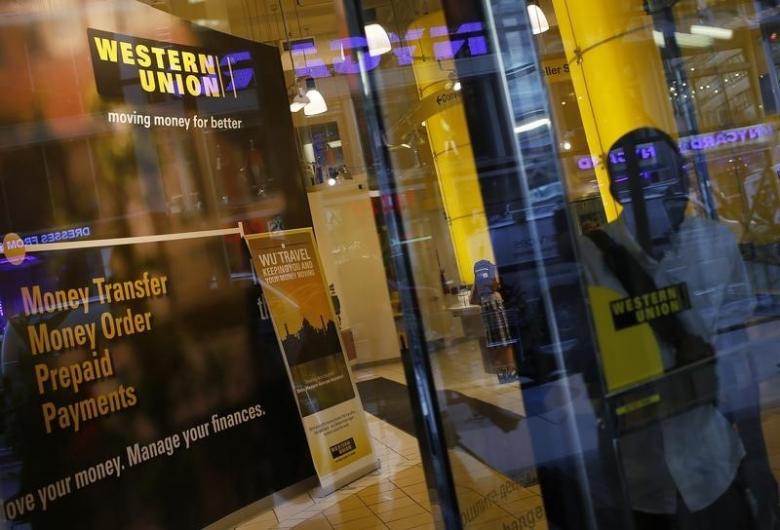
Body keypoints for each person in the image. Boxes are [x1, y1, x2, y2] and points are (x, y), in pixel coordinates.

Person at [579, 128, 776, 529]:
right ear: (617, 189)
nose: (656, 189)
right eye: (639, 178)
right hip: (636, 477)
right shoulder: (589, 261)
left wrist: (756, 460)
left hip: (714, 461)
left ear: (684, 178)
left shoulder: (717, 244)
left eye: (664, 175)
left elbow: (738, 362)